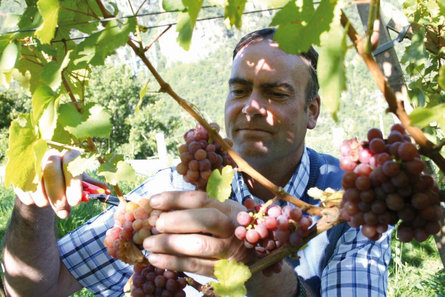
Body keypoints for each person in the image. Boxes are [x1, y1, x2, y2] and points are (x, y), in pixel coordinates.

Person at [2, 28, 392, 297]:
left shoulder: (355, 200)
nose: (251, 107)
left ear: (312, 112)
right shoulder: (177, 189)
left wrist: (254, 269)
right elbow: (36, 287)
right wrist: (33, 206)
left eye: (275, 93)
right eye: (239, 90)